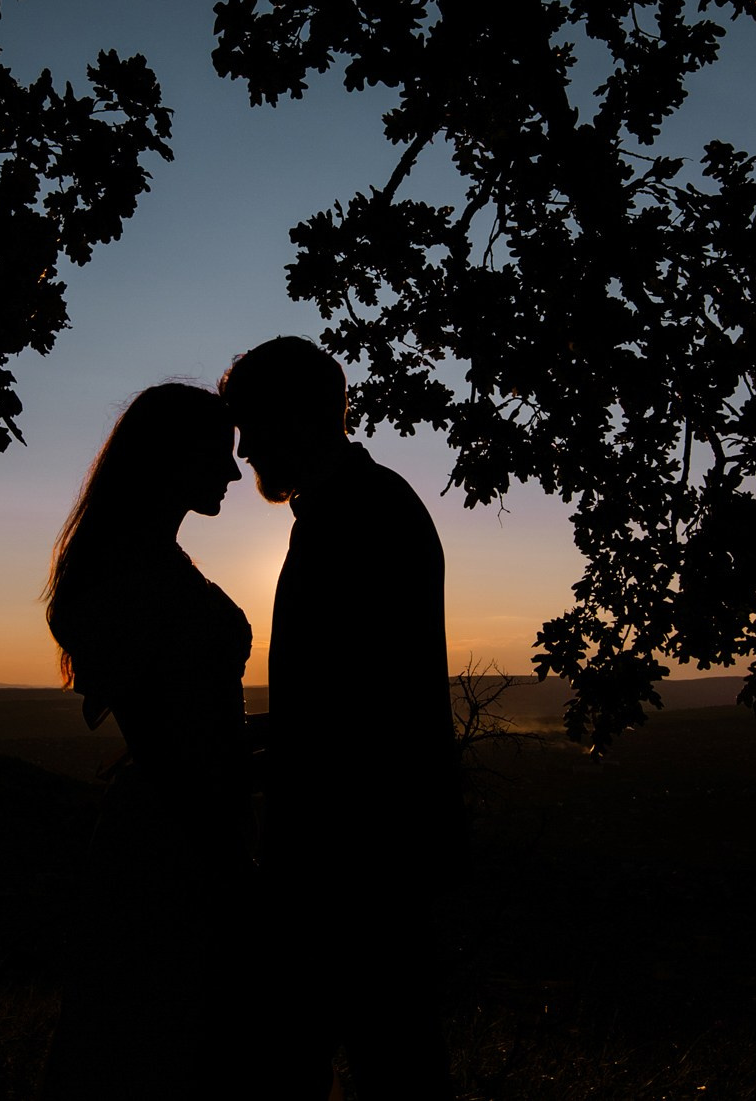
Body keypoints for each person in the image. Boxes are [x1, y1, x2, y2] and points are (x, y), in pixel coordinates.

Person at [220, 336, 462, 1100]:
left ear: (301, 416)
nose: (245, 445)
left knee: (384, 1062)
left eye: (252, 423)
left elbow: (371, 712)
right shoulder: (345, 508)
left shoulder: (364, 513)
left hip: (360, 854)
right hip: (358, 851)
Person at [38, 382, 256, 1101]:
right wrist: (230, 853)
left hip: (177, 827)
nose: (233, 473)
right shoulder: (131, 574)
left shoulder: (141, 563)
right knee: (165, 1047)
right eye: (218, 455)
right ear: (171, 458)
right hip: (178, 839)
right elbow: (177, 739)